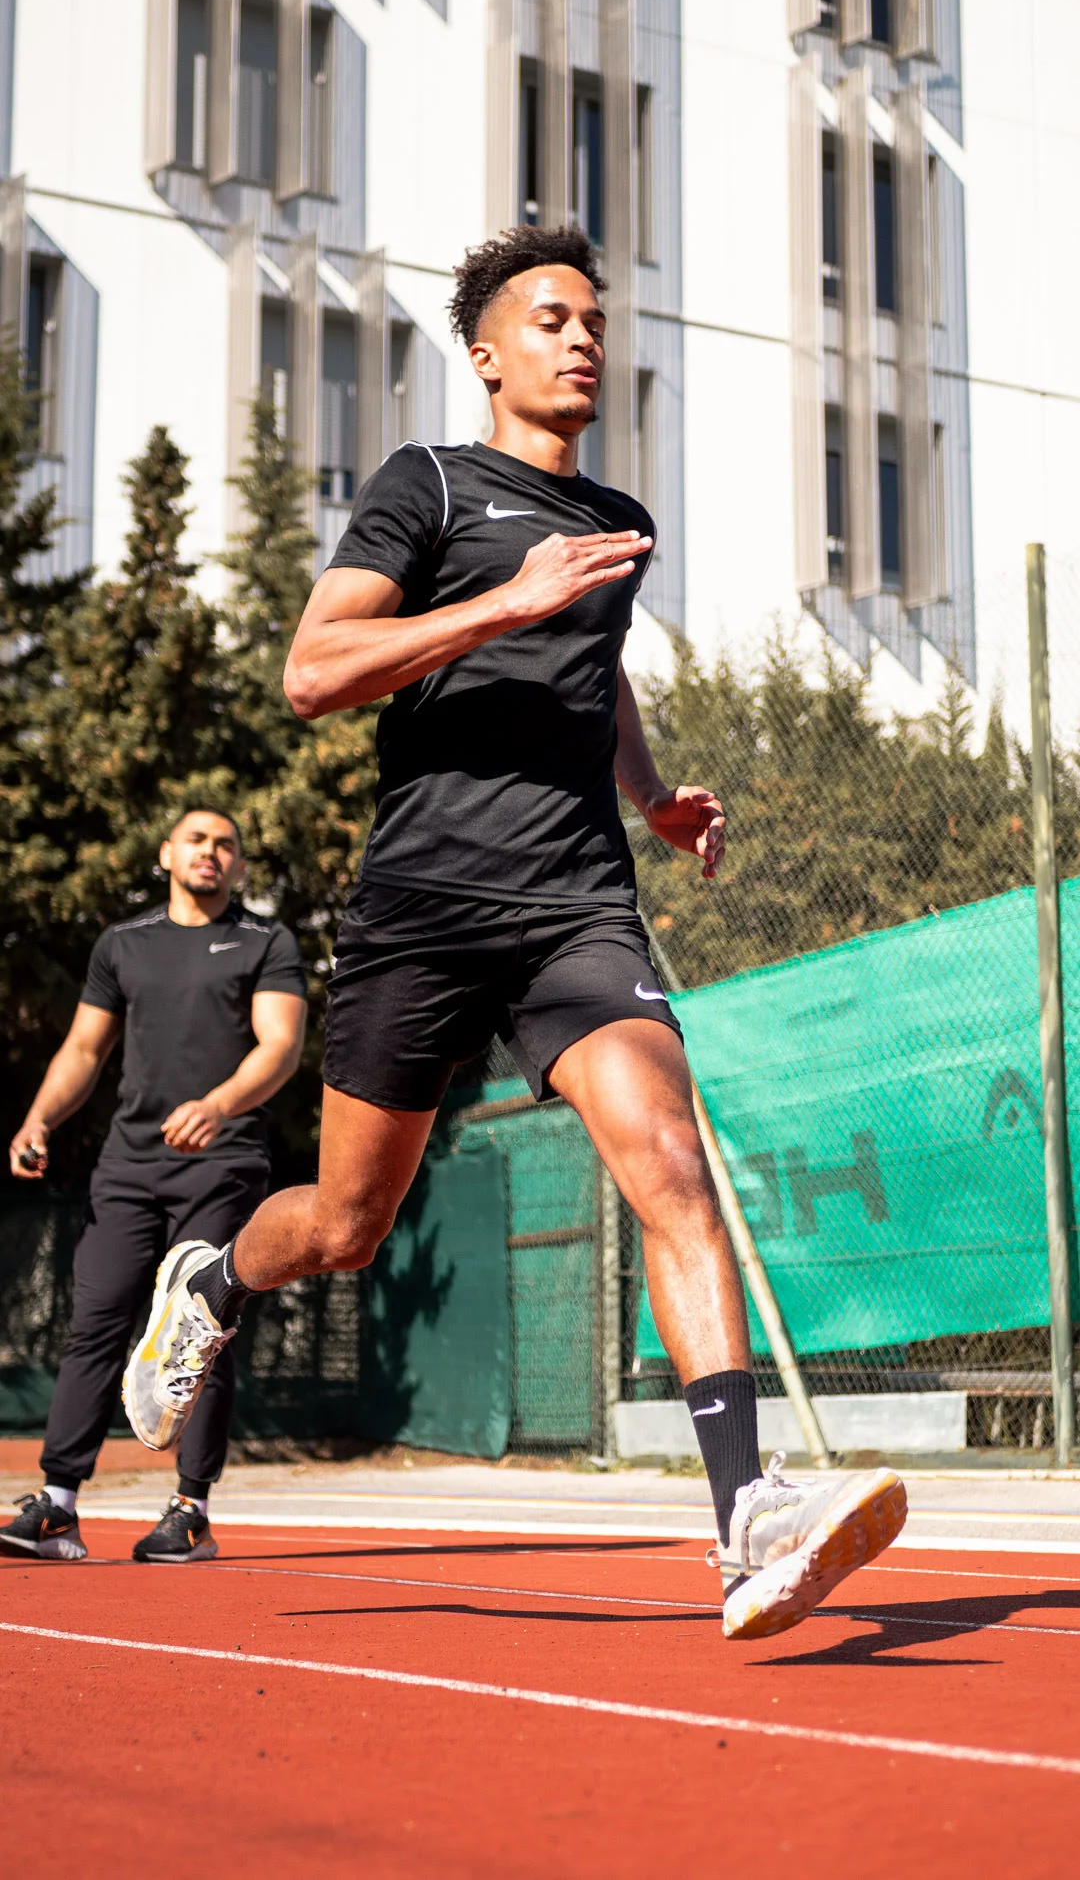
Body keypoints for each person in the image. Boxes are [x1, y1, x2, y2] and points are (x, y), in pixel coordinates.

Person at [123, 226, 906, 1638]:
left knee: (670, 1158)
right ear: (487, 354)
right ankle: (223, 1273)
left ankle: (745, 1522)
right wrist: (504, 598)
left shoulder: (615, 517)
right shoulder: (425, 484)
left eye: (597, 320)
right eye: (551, 319)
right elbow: (314, 672)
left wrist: (653, 797)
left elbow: (591, 677)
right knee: (349, 1229)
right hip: (420, 910)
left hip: (574, 902)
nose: (583, 338)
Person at [3, 807, 306, 1564]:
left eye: (227, 844)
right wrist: (38, 1117)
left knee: (196, 1326)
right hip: (128, 1164)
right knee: (96, 1319)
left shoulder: (266, 941)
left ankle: (189, 1510)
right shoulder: (123, 944)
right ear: (167, 852)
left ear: (238, 866)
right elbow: (83, 1047)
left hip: (222, 1157)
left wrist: (217, 1104)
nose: (212, 851)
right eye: (198, 839)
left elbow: (282, 1045)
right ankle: (59, 1506)